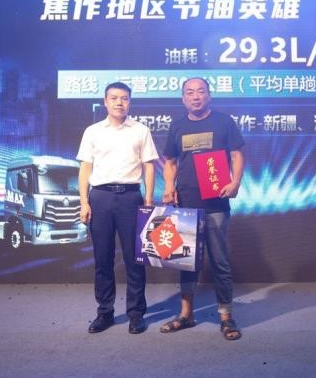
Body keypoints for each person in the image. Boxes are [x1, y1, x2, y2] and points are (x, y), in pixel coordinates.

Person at [160, 77, 245, 340]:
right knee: (186, 263)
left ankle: (226, 318)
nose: (195, 96)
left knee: (220, 262)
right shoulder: (177, 125)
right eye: (190, 92)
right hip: (185, 205)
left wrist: (235, 182)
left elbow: (237, 155)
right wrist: (169, 186)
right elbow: (170, 162)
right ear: (183, 98)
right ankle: (186, 315)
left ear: (209, 95)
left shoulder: (224, 122)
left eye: (200, 92)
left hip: (216, 203)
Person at [77, 81, 158, 335]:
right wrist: (83, 201)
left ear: (130, 102)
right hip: (100, 197)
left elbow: (149, 166)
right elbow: (85, 168)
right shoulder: (92, 131)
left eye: (124, 98)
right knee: (103, 258)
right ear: (105, 102)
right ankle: (105, 312)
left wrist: (148, 199)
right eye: (114, 98)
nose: (119, 102)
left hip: (131, 197)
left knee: (135, 259)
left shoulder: (141, 130)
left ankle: (136, 314)